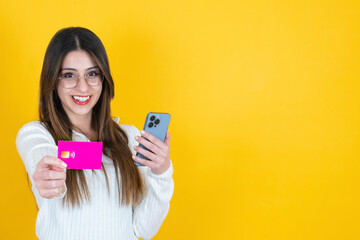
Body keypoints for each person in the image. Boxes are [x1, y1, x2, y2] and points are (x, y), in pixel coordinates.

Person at [16, 27, 174, 240]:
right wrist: (49, 175)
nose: (83, 88)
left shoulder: (128, 138)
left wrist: (161, 172)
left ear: (104, 78)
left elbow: (143, 229)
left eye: (92, 74)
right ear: (53, 81)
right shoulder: (36, 134)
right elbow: (47, 157)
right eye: (69, 75)